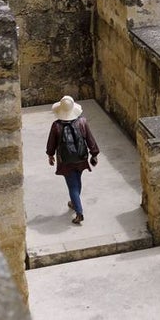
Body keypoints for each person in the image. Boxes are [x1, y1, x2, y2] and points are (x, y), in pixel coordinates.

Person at [46, 96, 99, 225]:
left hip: (66, 161)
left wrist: (50, 155)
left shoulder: (56, 126)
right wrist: (94, 154)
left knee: (72, 185)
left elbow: (51, 143)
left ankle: (79, 211)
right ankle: (74, 202)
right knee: (77, 180)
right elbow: (90, 139)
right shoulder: (82, 122)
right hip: (81, 159)